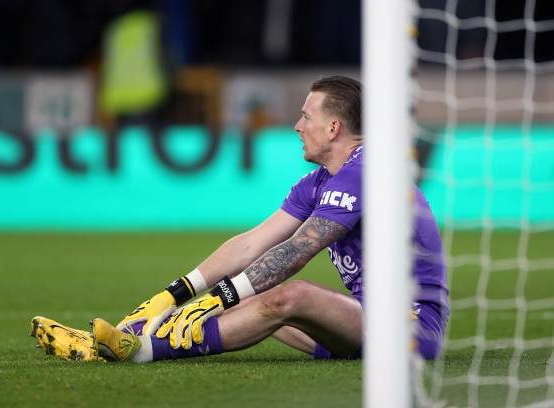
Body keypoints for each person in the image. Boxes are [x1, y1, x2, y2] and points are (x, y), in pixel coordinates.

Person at [31, 76, 450, 363]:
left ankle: (141, 350)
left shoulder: (370, 168)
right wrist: (176, 293)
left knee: (291, 293)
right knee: (256, 290)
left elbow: (299, 249)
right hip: (360, 318)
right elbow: (254, 242)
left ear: (334, 127)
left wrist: (220, 297)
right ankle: (130, 338)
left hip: (409, 325)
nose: (297, 125)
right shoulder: (320, 181)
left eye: (307, 116)